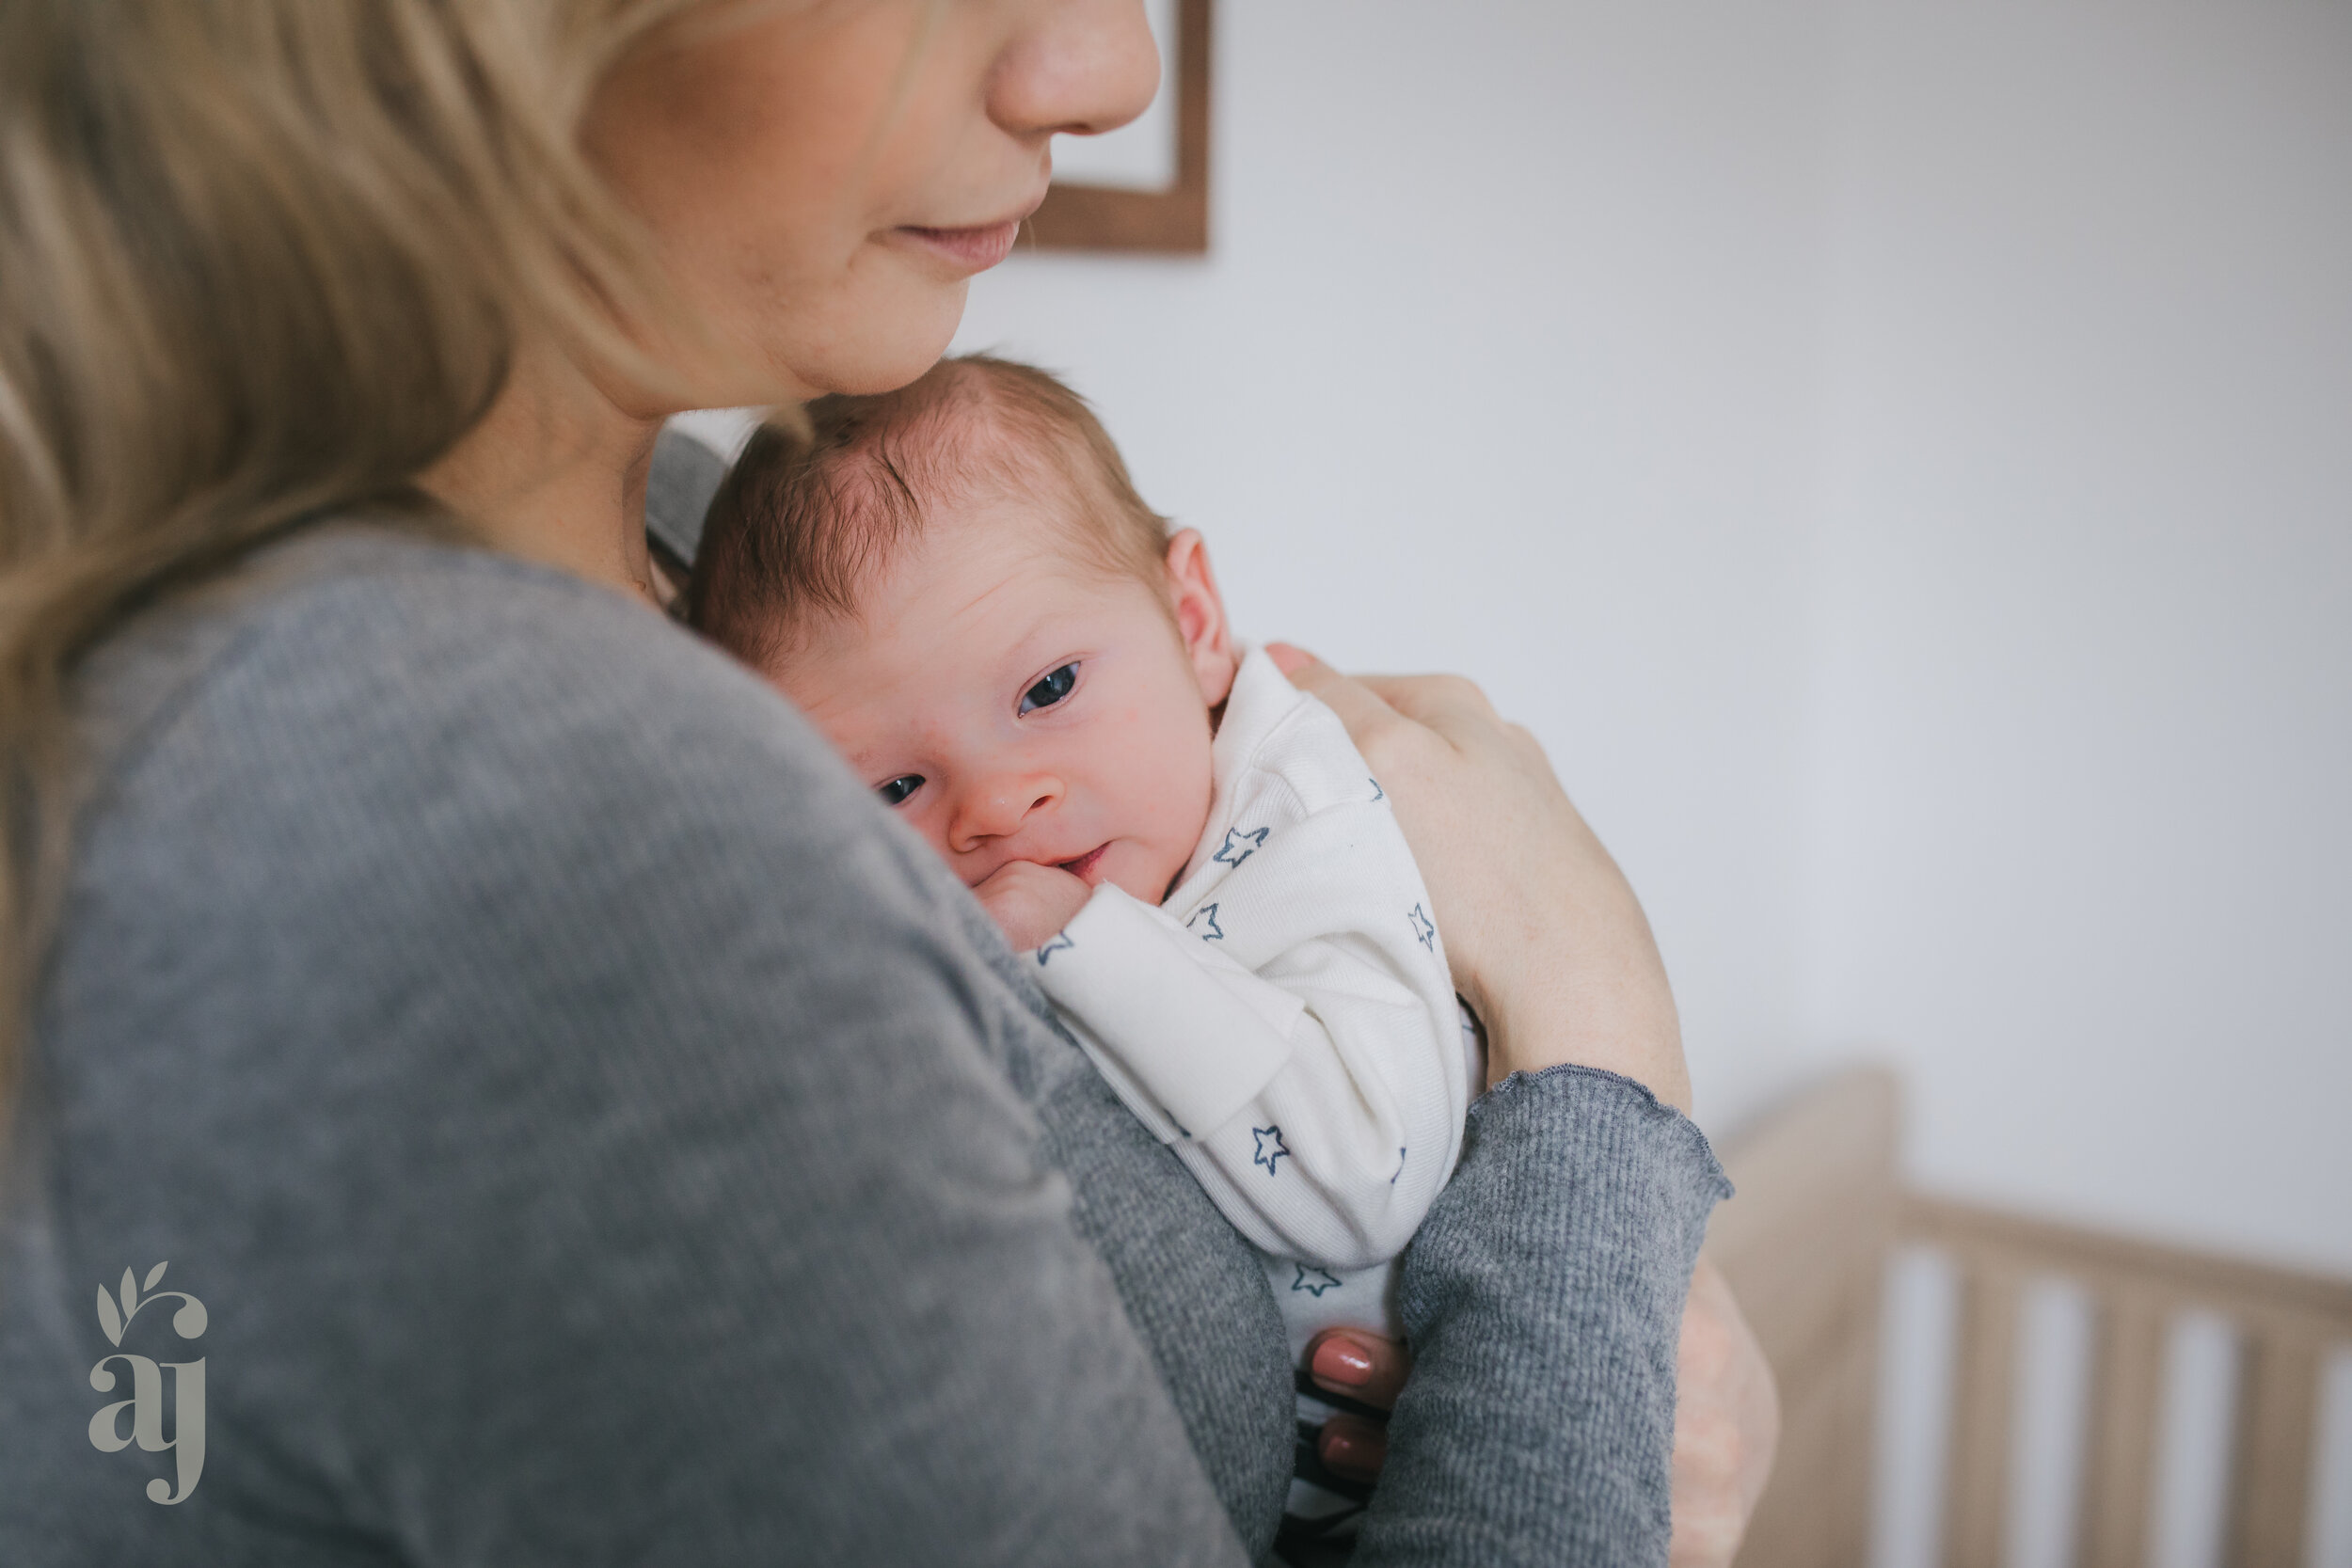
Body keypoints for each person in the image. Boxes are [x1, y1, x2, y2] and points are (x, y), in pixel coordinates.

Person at [0, 3, 1775, 1564]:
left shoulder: (725, 547)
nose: (1109, 63)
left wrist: (1588, 1373)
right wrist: (1601, 1050)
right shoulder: (560, 829)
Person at [688, 354, 1488, 1548]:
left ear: (1193, 622)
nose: (1000, 805)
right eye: (896, 783)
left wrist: (1084, 943)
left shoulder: (1297, 816)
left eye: (1048, 685)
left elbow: (1365, 1178)